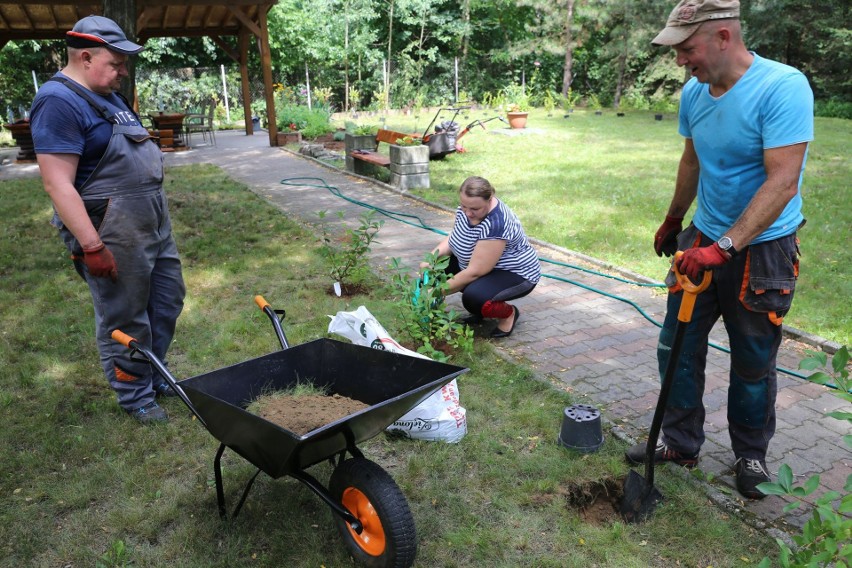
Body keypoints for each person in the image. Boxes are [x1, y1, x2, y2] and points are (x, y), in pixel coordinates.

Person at [624, 0, 814, 499]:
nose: (681, 60)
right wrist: (674, 219)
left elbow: (783, 181)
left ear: (724, 37)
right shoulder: (694, 93)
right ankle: (681, 443)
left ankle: (750, 455)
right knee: (677, 345)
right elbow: (692, 160)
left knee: (753, 359)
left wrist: (727, 246)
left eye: (687, 48)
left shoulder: (782, 87)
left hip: (763, 250)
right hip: (704, 237)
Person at [30, 16, 186, 424]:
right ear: (85, 56)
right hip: (110, 228)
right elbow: (57, 183)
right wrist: (92, 245)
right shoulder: (58, 101)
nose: (123, 72)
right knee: (124, 314)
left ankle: (153, 374)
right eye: (116, 64)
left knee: (167, 299)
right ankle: (135, 394)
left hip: (149, 222)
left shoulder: (107, 96)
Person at [424, 176, 541, 338]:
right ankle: (433, 317)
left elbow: (475, 272)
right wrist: (430, 259)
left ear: (490, 199)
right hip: (481, 264)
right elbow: (454, 238)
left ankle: (509, 314)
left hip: (515, 273)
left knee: (474, 298)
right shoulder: (469, 208)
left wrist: (437, 291)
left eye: (474, 209)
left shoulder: (496, 224)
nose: (468, 213)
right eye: (464, 206)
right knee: (437, 266)